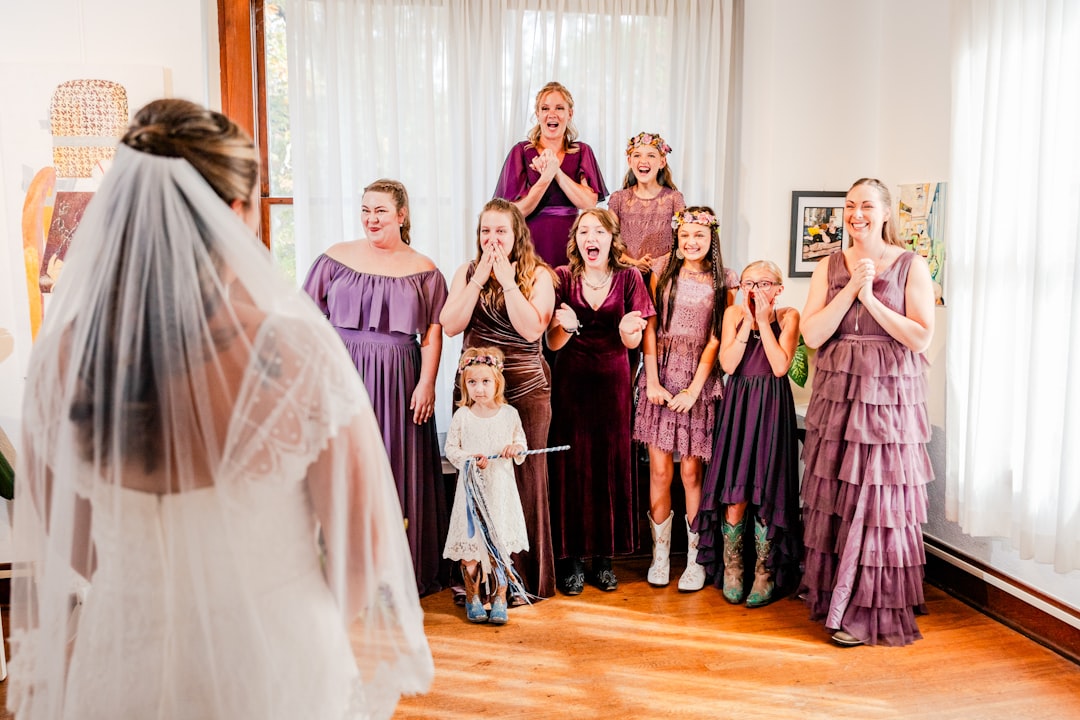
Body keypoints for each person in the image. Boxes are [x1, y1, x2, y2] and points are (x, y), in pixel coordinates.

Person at [8, 98, 432, 720]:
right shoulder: (297, 351)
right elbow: (361, 553)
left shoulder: (60, 361)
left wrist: (149, 590)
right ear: (235, 211)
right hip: (274, 665)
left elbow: (66, 534)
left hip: (126, 660)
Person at [799, 177, 935, 647]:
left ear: (886, 213)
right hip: (838, 393)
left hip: (888, 396)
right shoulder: (829, 265)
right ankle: (836, 596)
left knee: (876, 501)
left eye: (867, 206)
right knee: (839, 495)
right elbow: (813, 335)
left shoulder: (910, 265)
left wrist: (872, 299)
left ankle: (863, 607)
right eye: (850, 205)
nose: (857, 214)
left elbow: (920, 337)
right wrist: (850, 290)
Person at [303, 179, 449, 596]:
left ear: (401, 215)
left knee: (394, 467)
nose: (371, 218)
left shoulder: (424, 269)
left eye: (381, 211)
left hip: (400, 382)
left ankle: (390, 572)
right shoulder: (334, 258)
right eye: (366, 209)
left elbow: (433, 332)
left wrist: (427, 383)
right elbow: (307, 318)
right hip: (342, 375)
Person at [441, 198, 558, 599]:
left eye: (501, 231)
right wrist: (478, 281)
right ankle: (480, 581)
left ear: (516, 235)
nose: (492, 239)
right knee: (478, 480)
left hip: (525, 391)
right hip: (476, 393)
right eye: (485, 231)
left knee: (523, 479)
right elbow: (451, 324)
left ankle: (521, 581)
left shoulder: (538, 275)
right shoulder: (466, 272)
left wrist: (508, 281)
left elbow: (531, 331)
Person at [545, 209, 654, 595]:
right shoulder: (561, 277)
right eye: (584, 231)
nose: (592, 238)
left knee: (610, 466)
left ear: (612, 239)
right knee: (571, 467)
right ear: (576, 239)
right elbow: (551, 343)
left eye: (599, 231)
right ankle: (571, 560)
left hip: (613, 383)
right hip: (570, 382)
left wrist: (628, 331)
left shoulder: (629, 278)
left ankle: (604, 561)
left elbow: (635, 343)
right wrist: (566, 327)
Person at [697, 260, 803, 608]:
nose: (755, 289)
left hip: (772, 408)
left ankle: (764, 573)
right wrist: (747, 323)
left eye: (763, 283)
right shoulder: (732, 316)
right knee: (735, 490)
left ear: (778, 288)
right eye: (748, 283)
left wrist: (763, 322)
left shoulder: (789, 316)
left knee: (767, 489)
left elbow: (778, 366)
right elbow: (727, 365)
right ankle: (733, 570)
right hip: (740, 405)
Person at [633, 207, 729, 593]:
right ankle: (659, 557)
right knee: (659, 472)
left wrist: (693, 390)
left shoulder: (724, 279)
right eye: (685, 234)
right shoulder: (661, 270)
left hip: (697, 381)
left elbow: (716, 337)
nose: (691, 242)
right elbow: (651, 326)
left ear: (711, 239)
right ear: (677, 235)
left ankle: (695, 559)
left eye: (699, 236)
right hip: (662, 375)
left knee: (691, 473)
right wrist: (652, 381)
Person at [442, 347, 529, 625]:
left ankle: (501, 597)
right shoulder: (463, 417)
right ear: (464, 385)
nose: (479, 389)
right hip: (471, 497)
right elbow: (452, 450)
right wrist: (470, 459)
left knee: (498, 546)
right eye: (472, 382)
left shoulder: (509, 414)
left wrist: (514, 449)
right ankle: (473, 597)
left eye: (485, 382)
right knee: (470, 550)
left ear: (497, 382)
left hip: (500, 492)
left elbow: (522, 448)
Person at [493, 81, 608, 268]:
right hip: (531, 240)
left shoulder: (582, 151)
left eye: (559, 108)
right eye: (545, 108)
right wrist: (546, 178)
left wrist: (557, 172)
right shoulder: (521, 151)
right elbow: (516, 211)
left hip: (571, 241)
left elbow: (588, 203)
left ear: (570, 114)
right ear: (538, 114)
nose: (551, 114)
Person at [606, 131, 686, 270]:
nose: (643, 160)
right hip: (626, 271)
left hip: (663, 273)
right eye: (637, 155)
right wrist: (634, 263)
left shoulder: (674, 199)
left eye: (651, 155)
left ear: (662, 162)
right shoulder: (618, 199)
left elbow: (683, 240)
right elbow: (609, 243)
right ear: (629, 161)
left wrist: (656, 264)